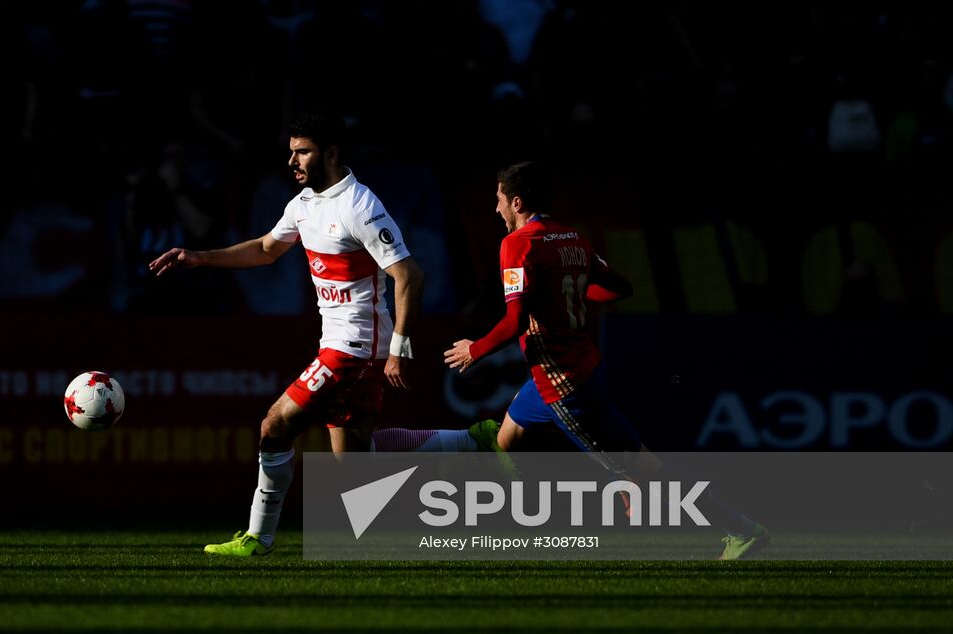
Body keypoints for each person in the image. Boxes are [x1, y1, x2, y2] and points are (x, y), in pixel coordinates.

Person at [377, 160, 768, 560]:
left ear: (516, 201)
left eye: (498, 200)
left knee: (646, 472)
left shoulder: (517, 244)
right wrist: (572, 299)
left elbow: (514, 321)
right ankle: (530, 514)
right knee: (506, 438)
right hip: (566, 371)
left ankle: (740, 528)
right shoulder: (572, 237)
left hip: (562, 383)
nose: (495, 210)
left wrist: (474, 350)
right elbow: (619, 287)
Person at [149, 113, 424, 557]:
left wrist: (399, 349)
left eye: (303, 151)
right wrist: (199, 258)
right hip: (339, 343)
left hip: (355, 346)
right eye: (291, 151)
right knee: (355, 468)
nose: (292, 160)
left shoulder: (360, 206)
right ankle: (476, 439)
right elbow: (265, 249)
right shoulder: (303, 204)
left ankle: (258, 537)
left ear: (331, 154)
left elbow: (408, 274)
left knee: (274, 426)